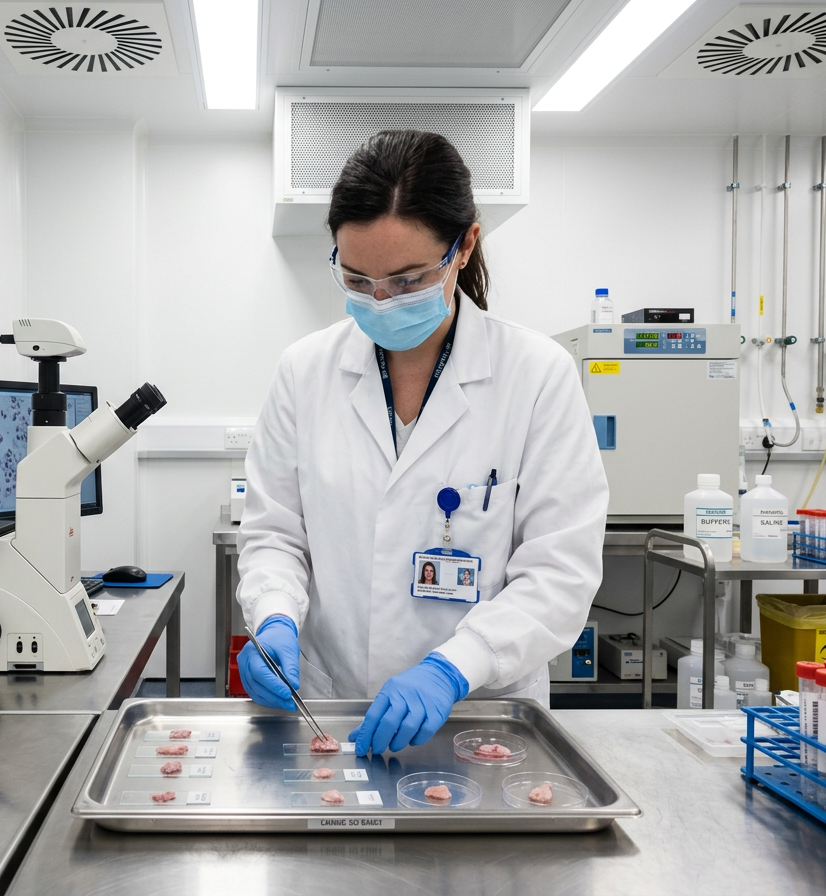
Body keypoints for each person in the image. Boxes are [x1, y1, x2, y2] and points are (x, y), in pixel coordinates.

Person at [236, 130, 608, 757]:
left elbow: (559, 570)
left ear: (465, 246)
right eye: (356, 279)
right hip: (334, 709)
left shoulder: (537, 374)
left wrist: (453, 667)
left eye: (406, 281)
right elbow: (275, 532)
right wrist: (274, 615)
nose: (380, 301)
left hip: (482, 715)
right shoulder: (305, 371)